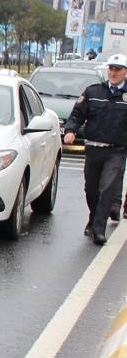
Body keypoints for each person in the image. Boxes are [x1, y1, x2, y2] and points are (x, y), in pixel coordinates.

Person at [64, 53, 127, 245]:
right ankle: (93, 220)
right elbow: (77, 115)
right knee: (91, 189)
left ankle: (99, 229)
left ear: (126, 73)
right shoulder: (93, 92)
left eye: (117, 69)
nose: (113, 72)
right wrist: (71, 130)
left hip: (116, 151)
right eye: (111, 69)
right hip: (93, 149)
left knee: (107, 188)